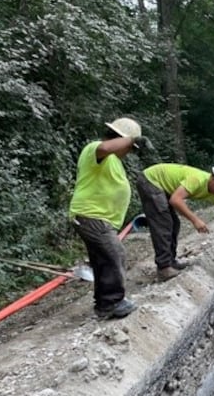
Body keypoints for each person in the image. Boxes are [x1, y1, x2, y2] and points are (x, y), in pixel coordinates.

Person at [69, 117, 148, 319]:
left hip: (99, 218)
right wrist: (133, 139)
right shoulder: (95, 150)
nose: (128, 152)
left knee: (104, 259)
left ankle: (105, 304)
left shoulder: (113, 161)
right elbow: (105, 147)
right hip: (91, 215)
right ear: (121, 139)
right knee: (114, 254)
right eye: (129, 148)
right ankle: (112, 303)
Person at [135, 163, 214, 281]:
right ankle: (164, 268)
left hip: (162, 185)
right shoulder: (197, 180)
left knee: (174, 224)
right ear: (213, 177)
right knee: (163, 223)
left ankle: (170, 262)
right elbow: (176, 200)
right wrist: (195, 220)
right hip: (151, 180)